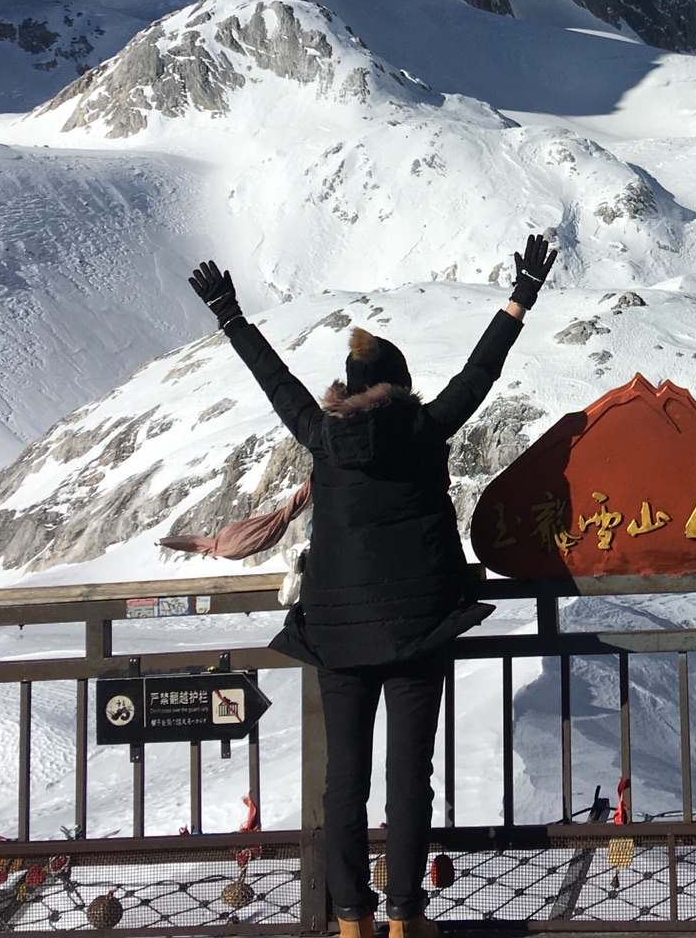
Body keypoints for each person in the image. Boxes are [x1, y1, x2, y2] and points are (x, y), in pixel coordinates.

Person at [187, 234, 559, 938]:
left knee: (343, 784)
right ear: (401, 383)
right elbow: (481, 373)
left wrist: (228, 313)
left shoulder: (320, 436)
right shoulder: (424, 428)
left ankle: (351, 920)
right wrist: (521, 296)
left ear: (347, 391)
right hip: (419, 628)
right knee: (408, 781)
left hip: (337, 634)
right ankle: (405, 919)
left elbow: (276, 381)